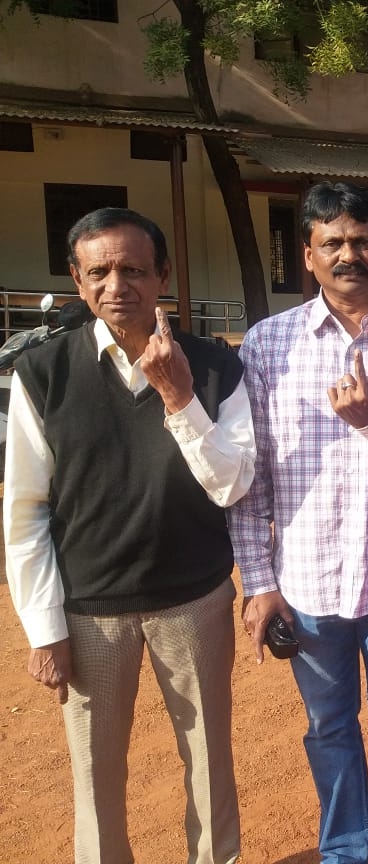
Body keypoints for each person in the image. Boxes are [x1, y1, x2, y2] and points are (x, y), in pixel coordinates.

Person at [3, 207, 255, 864]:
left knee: (208, 759)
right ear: (78, 280)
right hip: (89, 614)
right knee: (95, 774)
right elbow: (26, 511)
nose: (118, 285)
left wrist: (180, 398)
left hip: (194, 600)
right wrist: (43, 627)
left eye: (134, 269)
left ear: (162, 274)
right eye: (101, 271)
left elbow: (232, 484)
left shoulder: (214, 367)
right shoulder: (42, 374)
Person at [228, 181, 368, 864]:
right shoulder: (269, 346)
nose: (348, 254)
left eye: (362, 241)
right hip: (305, 585)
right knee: (328, 729)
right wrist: (259, 581)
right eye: (332, 242)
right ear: (308, 254)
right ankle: (347, 851)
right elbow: (252, 478)